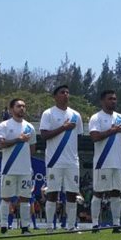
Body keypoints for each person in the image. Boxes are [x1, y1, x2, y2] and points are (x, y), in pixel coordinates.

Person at [39, 84, 84, 231]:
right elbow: (44, 135)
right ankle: (49, 226)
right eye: (62, 92)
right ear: (55, 96)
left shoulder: (76, 115)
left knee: (72, 195)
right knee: (52, 194)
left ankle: (71, 226)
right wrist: (63, 128)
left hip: (72, 161)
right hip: (54, 160)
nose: (66, 94)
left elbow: (79, 136)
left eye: (67, 92)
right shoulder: (48, 113)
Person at [87, 90, 121, 232]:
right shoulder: (96, 117)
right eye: (110, 99)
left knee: (116, 193)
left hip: (117, 163)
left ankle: (116, 225)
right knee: (98, 193)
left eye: (114, 99)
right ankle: (95, 225)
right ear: (102, 101)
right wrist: (111, 131)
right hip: (102, 162)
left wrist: (120, 154)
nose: (113, 101)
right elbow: (94, 137)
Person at [0, 98, 36, 234]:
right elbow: (1, 144)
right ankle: (3, 225)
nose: (22, 108)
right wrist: (18, 140)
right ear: (11, 109)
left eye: (24, 106)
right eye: (19, 106)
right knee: (6, 198)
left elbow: (32, 149)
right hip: (9, 168)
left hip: (25, 169)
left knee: (25, 199)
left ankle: (25, 227)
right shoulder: (4, 125)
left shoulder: (30, 127)